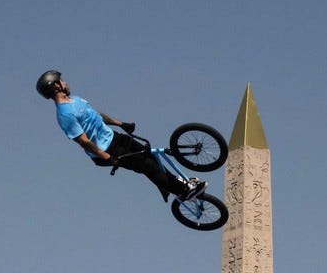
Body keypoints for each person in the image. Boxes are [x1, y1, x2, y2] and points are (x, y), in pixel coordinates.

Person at [36, 70, 205, 200]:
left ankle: (176, 184)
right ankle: (183, 192)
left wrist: (121, 124)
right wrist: (106, 157)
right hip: (107, 150)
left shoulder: (75, 99)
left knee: (152, 156)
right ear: (56, 86)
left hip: (115, 137)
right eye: (62, 80)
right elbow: (84, 141)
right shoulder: (64, 114)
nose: (65, 82)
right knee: (148, 166)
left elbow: (97, 115)